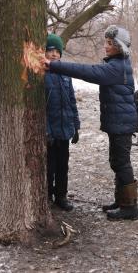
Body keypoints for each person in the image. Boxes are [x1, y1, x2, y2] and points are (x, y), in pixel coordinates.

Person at [42, 25, 138, 221]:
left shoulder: (117, 67)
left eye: (110, 43)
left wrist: (53, 65)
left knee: (122, 163)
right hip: (119, 123)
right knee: (117, 162)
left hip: (122, 124)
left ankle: (130, 207)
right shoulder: (117, 64)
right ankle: (121, 201)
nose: (106, 46)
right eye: (106, 42)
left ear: (119, 47)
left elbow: (89, 72)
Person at [45, 33, 80, 211]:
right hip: (50, 132)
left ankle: (61, 196)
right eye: (50, 51)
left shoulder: (66, 75)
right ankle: (47, 196)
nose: (54, 54)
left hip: (65, 129)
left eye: (57, 51)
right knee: (49, 167)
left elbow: (72, 101)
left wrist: (76, 125)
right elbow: (40, 108)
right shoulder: (43, 75)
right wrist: (47, 131)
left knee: (62, 166)